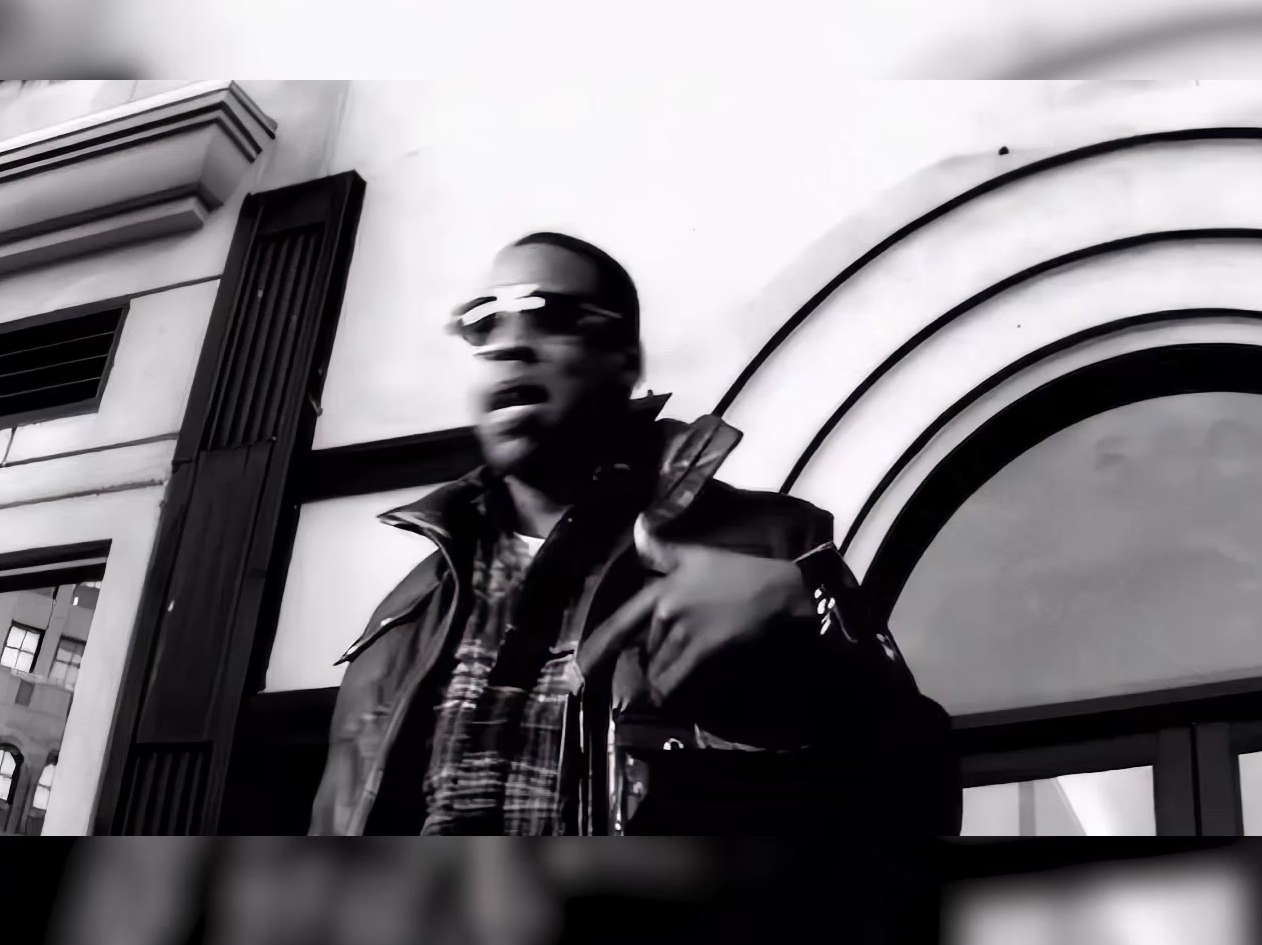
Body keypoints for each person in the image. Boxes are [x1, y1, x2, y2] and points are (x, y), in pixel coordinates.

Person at [309, 231, 961, 835]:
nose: (509, 343)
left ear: (624, 358)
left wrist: (804, 614)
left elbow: (921, 804)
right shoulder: (401, 620)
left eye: (550, 315)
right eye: (483, 323)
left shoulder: (770, 544)